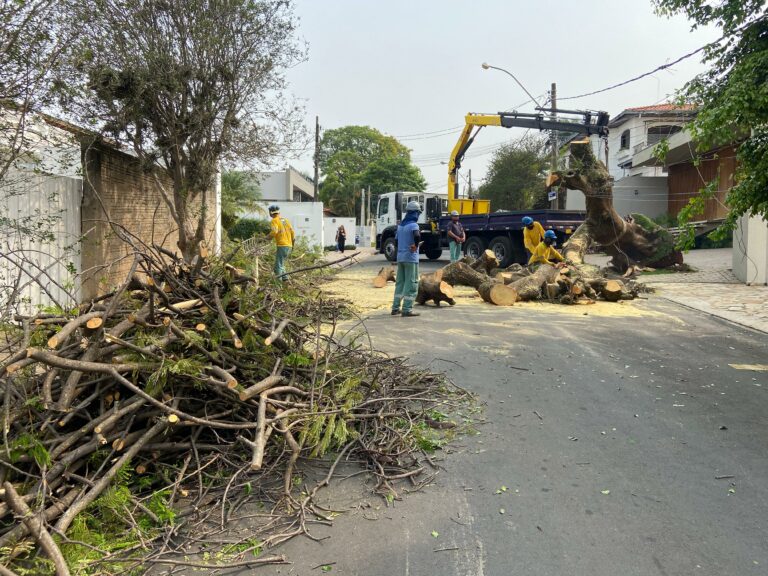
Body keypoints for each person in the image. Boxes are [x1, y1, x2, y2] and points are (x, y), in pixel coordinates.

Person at [391, 200, 422, 317]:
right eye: (418, 213)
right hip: (411, 258)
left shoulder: (400, 226)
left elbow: (397, 241)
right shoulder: (414, 225)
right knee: (412, 283)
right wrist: (416, 245)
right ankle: (407, 309)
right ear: (415, 213)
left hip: (401, 258)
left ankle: (395, 307)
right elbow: (417, 235)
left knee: (400, 283)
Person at [268, 205, 295, 281]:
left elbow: (274, 231)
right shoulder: (286, 220)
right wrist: (292, 245)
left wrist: (266, 238)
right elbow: (293, 233)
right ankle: (286, 281)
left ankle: (278, 285)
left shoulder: (274, 220)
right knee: (282, 264)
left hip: (282, 245)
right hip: (289, 246)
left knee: (278, 266)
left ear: (271, 213)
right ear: (278, 212)